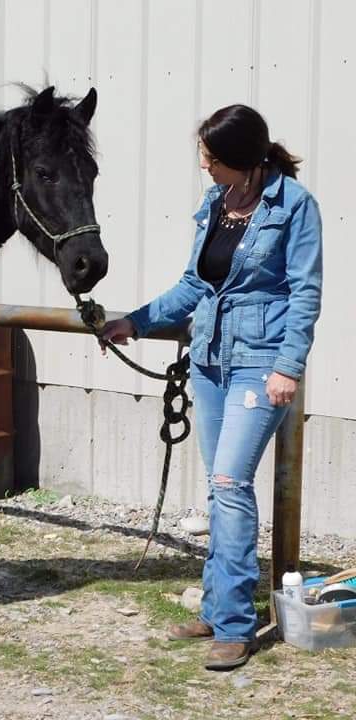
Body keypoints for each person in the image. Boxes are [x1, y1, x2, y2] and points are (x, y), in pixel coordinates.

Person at [101, 105, 322, 671]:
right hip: (210, 359)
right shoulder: (215, 205)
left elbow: (304, 293)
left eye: (212, 157)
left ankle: (235, 627)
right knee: (219, 489)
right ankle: (219, 606)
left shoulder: (293, 206)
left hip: (261, 362)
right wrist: (138, 320)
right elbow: (195, 284)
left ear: (242, 158)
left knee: (229, 481)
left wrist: (288, 367)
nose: (204, 165)